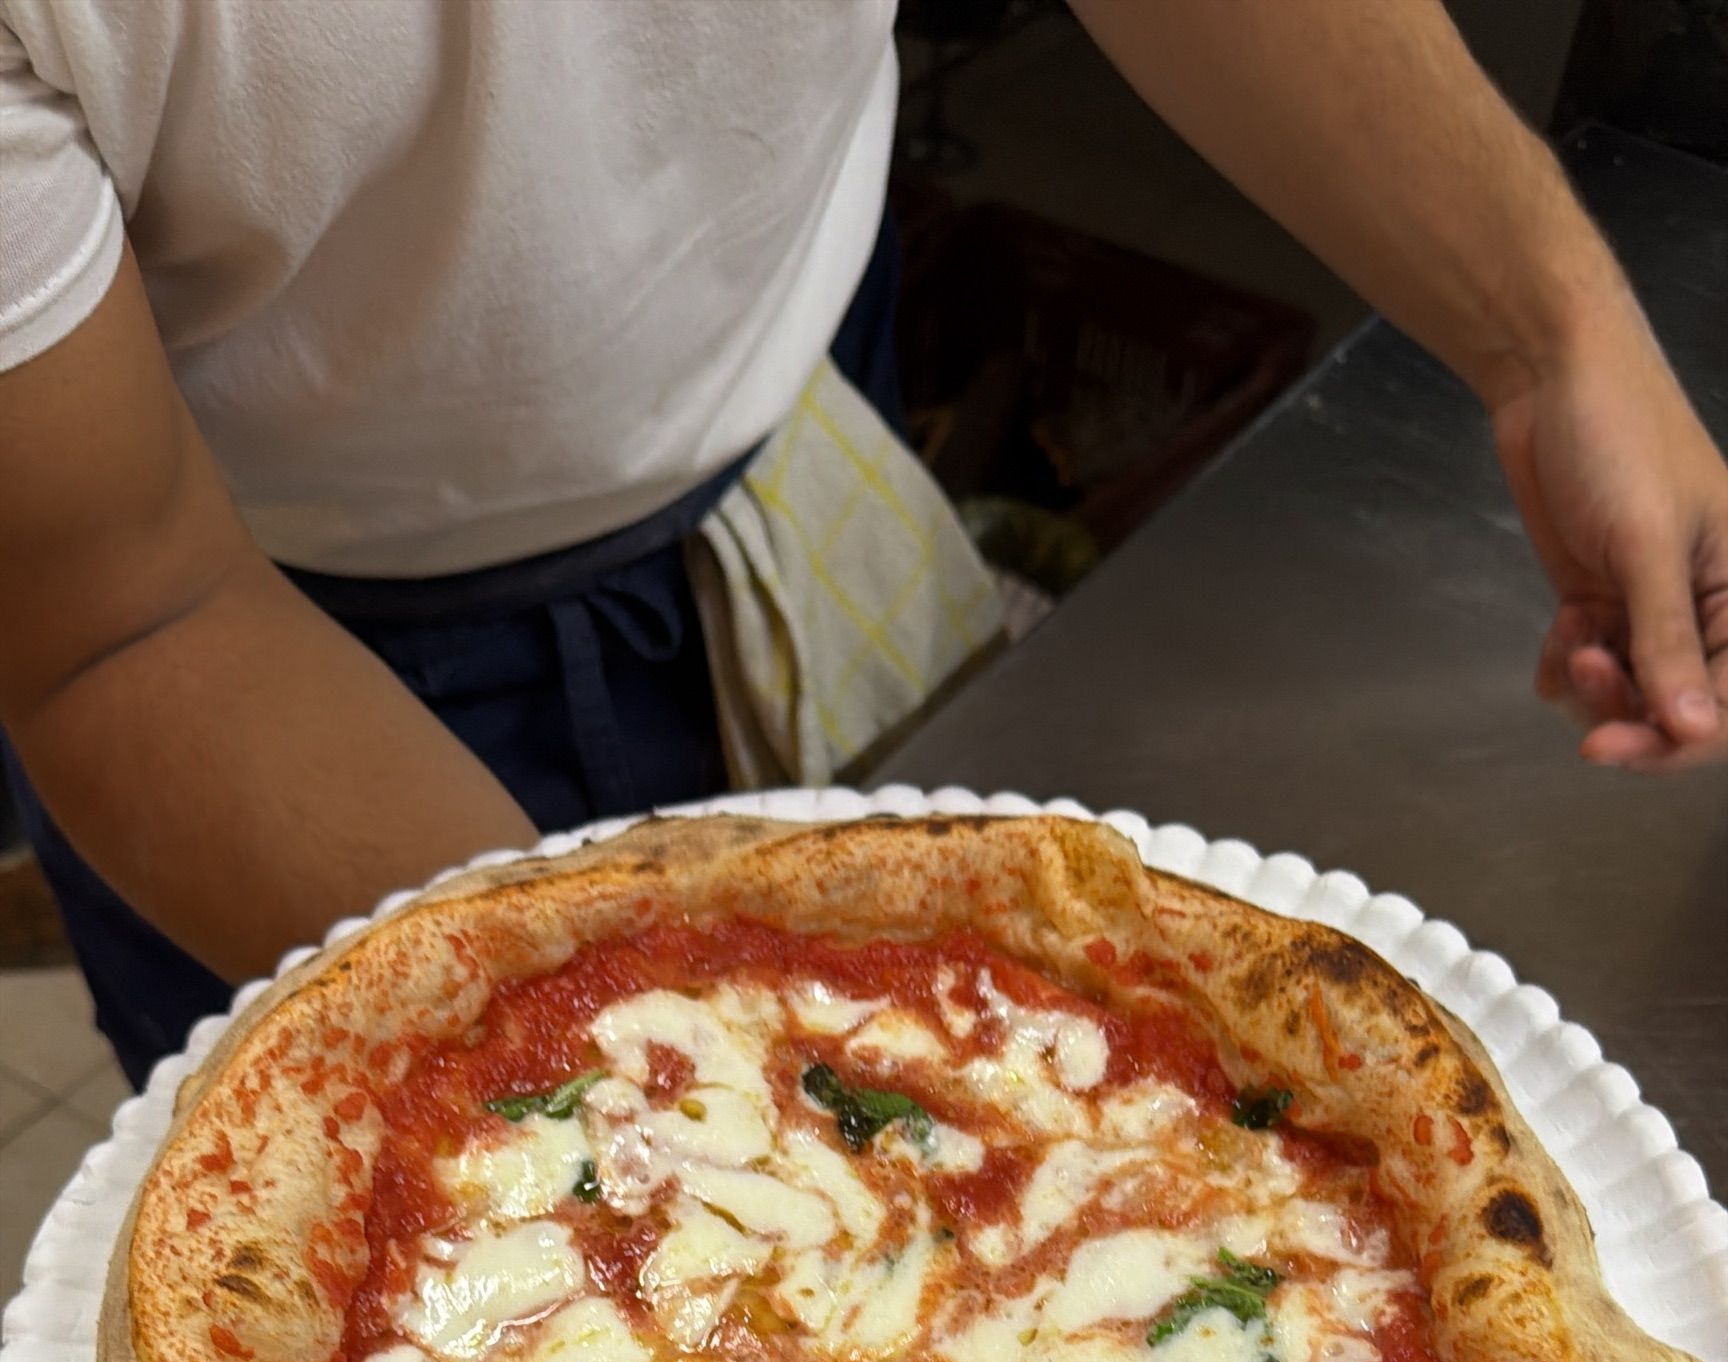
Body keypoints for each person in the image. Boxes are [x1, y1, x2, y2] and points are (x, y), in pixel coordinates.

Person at [1, 0, 1723, 1089]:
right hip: (262, 660)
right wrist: (669, 1056)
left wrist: (1550, 329)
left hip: (800, 419)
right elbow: (118, 623)